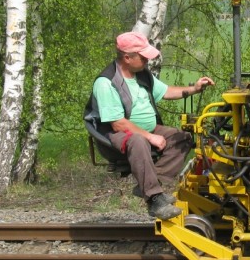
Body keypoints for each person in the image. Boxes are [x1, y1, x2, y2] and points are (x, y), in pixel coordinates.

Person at [85, 31, 214, 219]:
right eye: (143, 56)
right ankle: (154, 200)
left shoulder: (142, 74)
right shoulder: (106, 83)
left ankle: (150, 185)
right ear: (127, 57)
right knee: (138, 140)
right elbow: (118, 124)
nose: (147, 60)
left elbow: (167, 91)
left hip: (143, 130)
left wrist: (194, 89)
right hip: (114, 135)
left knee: (182, 138)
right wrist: (150, 136)